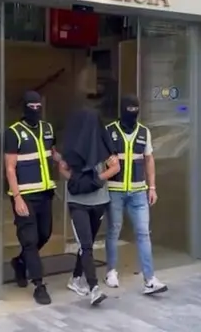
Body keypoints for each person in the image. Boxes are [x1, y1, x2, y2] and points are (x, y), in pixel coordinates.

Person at [104, 95, 168, 295]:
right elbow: (102, 158)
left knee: (143, 233)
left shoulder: (144, 132)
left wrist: (152, 187)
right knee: (114, 230)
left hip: (139, 191)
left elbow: (149, 160)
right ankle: (111, 271)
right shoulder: (109, 131)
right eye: (129, 109)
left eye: (136, 109)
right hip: (115, 190)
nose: (133, 113)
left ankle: (149, 279)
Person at [58, 108, 120, 306]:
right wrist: (81, 181)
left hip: (99, 202)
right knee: (85, 245)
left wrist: (94, 180)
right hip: (78, 204)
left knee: (87, 246)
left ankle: (75, 279)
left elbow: (116, 168)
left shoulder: (105, 146)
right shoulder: (72, 149)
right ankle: (94, 288)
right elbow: (63, 169)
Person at [3, 91, 59, 305]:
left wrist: (65, 164)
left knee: (44, 234)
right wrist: (17, 197)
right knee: (30, 240)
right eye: (32, 106)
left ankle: (19, 262)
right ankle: (39, 285)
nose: (36, 109)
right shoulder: (13, 133)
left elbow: (52, 153)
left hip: (45, 194)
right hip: (24, 195)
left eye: (39, 106)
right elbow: (10, 168)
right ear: (25, 108)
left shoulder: (48, 128)